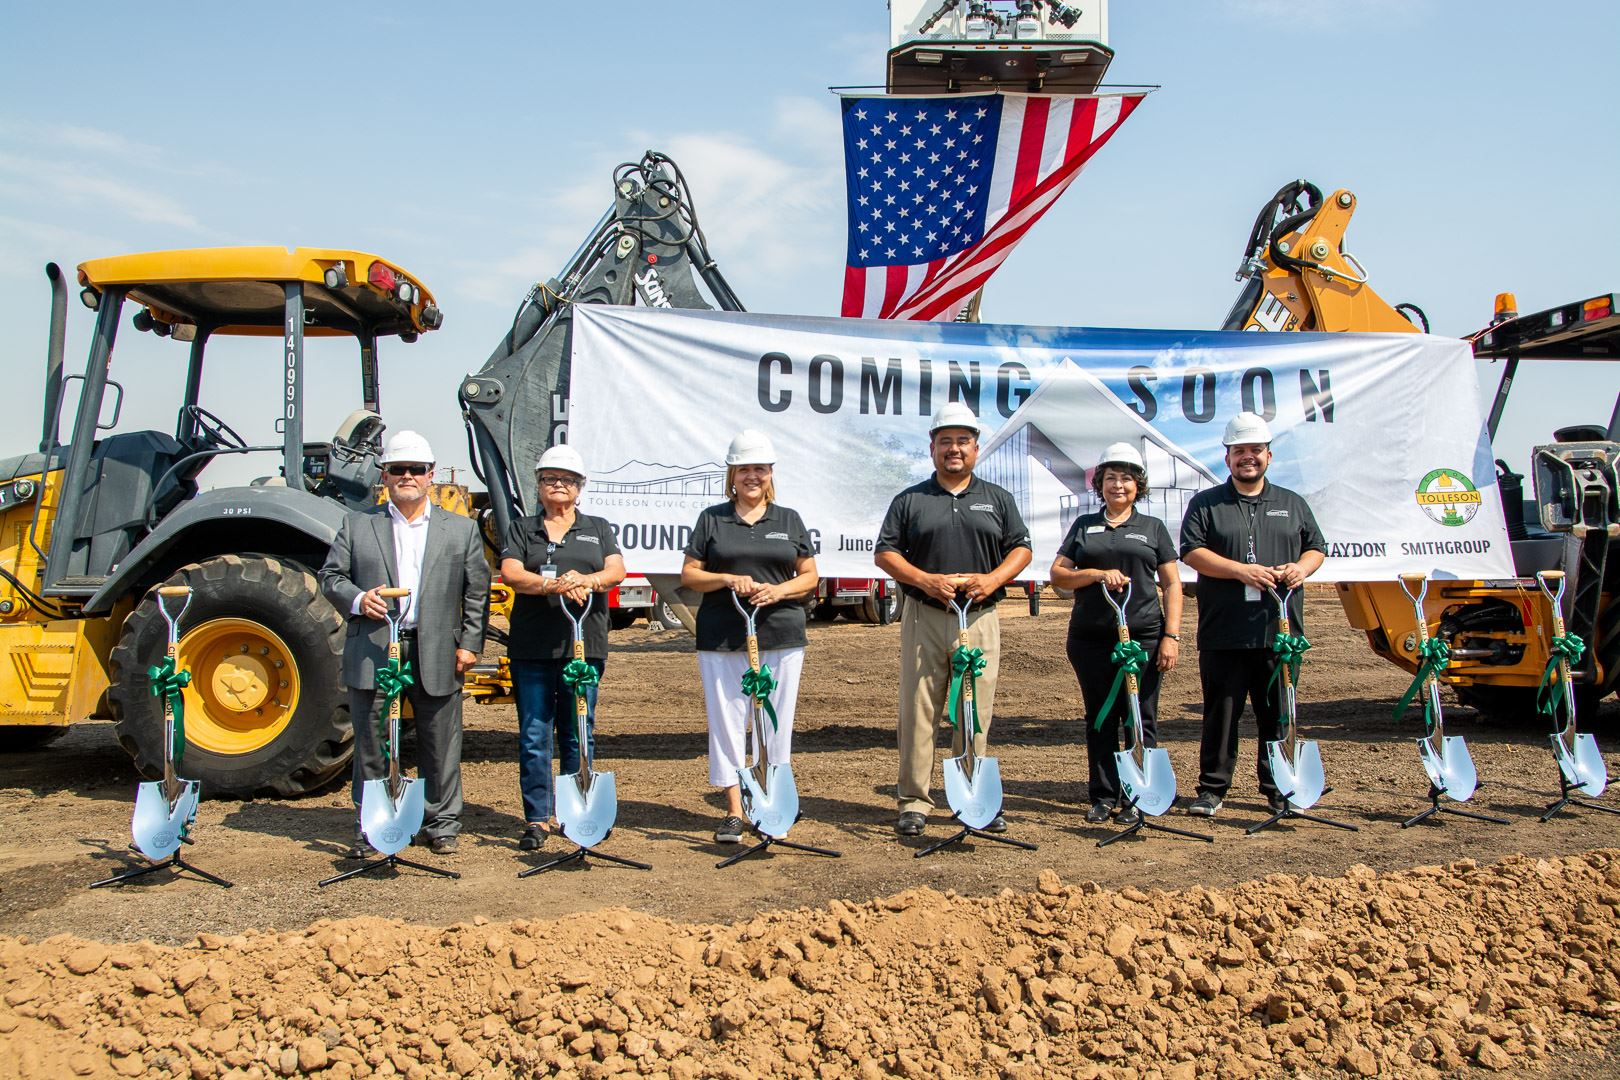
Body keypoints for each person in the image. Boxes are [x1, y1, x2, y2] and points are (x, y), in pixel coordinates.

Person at [319, 430, 489, 857]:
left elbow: (476, 591)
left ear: (431, 475)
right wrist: (359, 599)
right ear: (385, 476)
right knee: (373, 741)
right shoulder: (358, 525)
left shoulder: (461, 530)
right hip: (375, 646)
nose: (407, 476)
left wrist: (470, 643)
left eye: (416, 469)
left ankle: (441, 823)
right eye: (398, 469)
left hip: (436, 647)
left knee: (440, 741)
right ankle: (373, 824)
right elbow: (331, 578)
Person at [874, 402, 1032, 837]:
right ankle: (913, 802)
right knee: (919, 711)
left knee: (973, 712)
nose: (954, 449)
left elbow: (1021, 549)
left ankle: (971, 798)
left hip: (980, 619)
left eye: (963, 441)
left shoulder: (997, 499)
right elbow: (885, 553)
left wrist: (993, 578)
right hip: (925, 617)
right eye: (946, 442)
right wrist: (925, 581)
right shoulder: (910, 500)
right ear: (932, 449)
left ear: (976, 449)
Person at [1179, 412, 1326, 817]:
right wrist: (1240, 571)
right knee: (1221, 716)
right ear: (1227, 458)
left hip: (1279, 633)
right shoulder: (1206, 504)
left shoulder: (1291, 504)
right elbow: (1192, 552)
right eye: (1239, 451)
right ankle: (1212, 790)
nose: (1248, 457)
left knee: (1278, 715)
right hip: (1224, 632)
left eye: (1255, 451)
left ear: (1268, 456)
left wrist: (1302, 568)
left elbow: (1316, 548)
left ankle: (1279, 788)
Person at [681, 430, 820, 844]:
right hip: (723, 636)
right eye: (744, 469)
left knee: (775, 723)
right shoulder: (713, 518)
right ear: (732, 474)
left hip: (781, 634)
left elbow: (810, 576)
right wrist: (726, 578)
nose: (752, 476)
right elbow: (690, 574)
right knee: (727, 722)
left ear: (771, 473)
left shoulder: (789, 520)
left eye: (759, 468)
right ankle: (734, 810)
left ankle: (770, 799)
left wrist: (778, 590)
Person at [499, 445, 625, 851]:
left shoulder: (598, 526)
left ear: (579, 488)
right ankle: (537, 817)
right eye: (551, 479)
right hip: (532, 648)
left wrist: (585, 581)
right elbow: (512, 573)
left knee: (577, 732)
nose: (559, 485)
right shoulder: (523, 528)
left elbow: (616, 570)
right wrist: (552, 584)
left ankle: (576, 811)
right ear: (538, 486)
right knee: (535, 735)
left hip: (584, 647)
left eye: (567, 480)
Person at [1050, 443, 1183, 826]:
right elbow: (1058, 575)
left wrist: (1170, 636)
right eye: (1110, 478)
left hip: (1142, 637)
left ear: (1138, 485)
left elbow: (1172, 584)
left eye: (1126, 478)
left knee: (1140, 716)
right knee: (1100, 716)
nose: (1118, 485)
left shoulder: (1152, 528)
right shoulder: (1084, 526)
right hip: (1091, 638)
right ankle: (1104, 795)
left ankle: (1140, 794)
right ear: (1100, 484)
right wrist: (1093, 574)